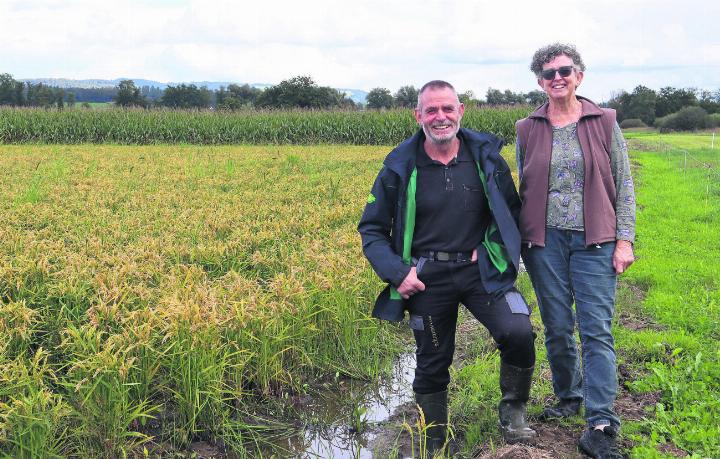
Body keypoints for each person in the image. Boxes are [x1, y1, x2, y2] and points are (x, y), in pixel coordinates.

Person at [358, 80, 537, 454]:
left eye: (447, 109)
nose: (440, 117)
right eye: (432, 110)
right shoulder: (399, 166)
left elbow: (511, 214)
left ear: (461, 111)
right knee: (432, 359)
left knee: (519, 330)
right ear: (418, 115)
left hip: (480, 272)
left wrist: (493, 253)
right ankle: (435, 436)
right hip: (426, 278)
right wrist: (397, 272)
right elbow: (372, 229)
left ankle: (513, 411)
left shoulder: (486, 158)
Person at [515, 43, 635, 459]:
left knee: (596, 329)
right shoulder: (526, 128)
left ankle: (600, 422)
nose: (558, 78)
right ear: (540, 82)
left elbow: (624, 184)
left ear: (579, 75)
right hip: (543, 243)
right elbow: (523, 189)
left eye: (565, 70)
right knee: (557, 326)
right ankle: (569, 395)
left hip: (594, 241)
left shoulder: (604, 122)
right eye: (549, 74)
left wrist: (624, 239)